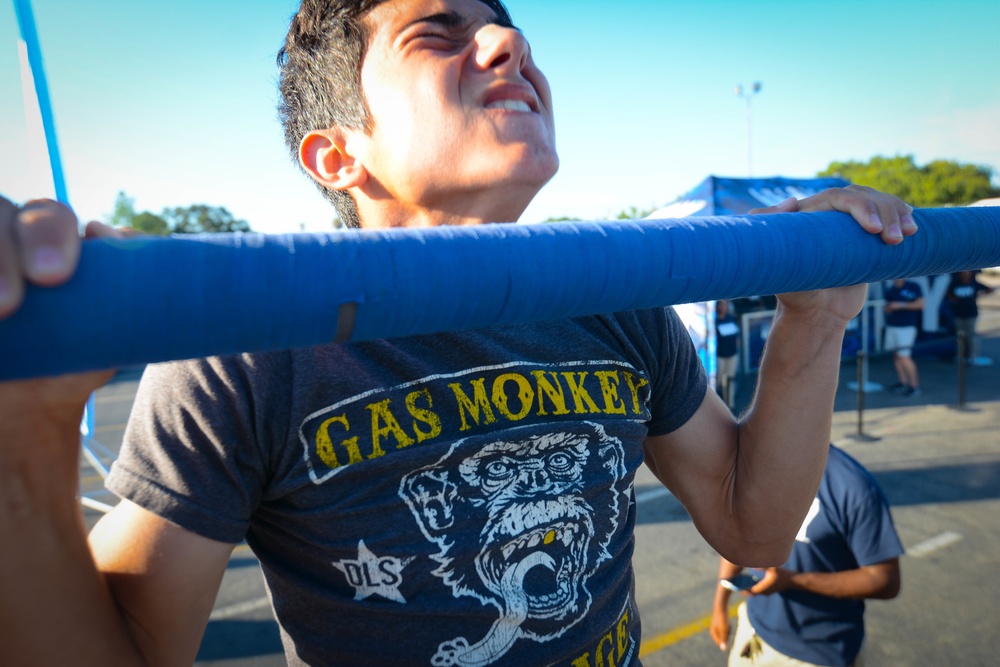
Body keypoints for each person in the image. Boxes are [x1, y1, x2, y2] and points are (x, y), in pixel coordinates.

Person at [0, 1, 918, 665]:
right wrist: (22, 438)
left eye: (508, 29)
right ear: (338, 153)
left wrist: (817, 317)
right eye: (436, 32)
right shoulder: (251, 348)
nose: (511, 42)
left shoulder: (615, 293)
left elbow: (752, 524)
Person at [709, 444, 903, 667]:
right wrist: (719, 605)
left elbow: (885, 580)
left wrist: (791, 581)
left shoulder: (855, 488)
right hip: (756, 636)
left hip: (820, 653)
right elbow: (739, 538)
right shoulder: (759, 466)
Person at [883, 277, 924, 396]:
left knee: (904, 357)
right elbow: (888, 309)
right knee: (896, 356)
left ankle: (914, 386)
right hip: (893, 326)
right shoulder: (890, 290)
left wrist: (900, 305)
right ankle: (903, 382)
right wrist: (890, 308)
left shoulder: (913, 286)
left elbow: (921, 304)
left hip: (907, 327)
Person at [948, 270, 994, 365]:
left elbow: (990, 289)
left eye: (967, 272)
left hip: (971, 314)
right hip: (958, 314)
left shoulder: (974, 283)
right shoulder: (955, 283)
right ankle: (960, 356)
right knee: (960, 336)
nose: (965, 274)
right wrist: (954, 299)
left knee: (971, 336)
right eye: (963, 272)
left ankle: (973, 357)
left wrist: (979, 295)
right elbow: (947, 293)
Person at [715, 299, 741, 409]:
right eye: (721, 304)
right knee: (720, 380)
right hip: (720, 356)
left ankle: (729, 403)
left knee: (730, 379)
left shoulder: (731, 318)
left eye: (725, 304)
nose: (724, 307)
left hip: (732, 354)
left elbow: (737, 336)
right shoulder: (714, 321)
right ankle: (716, 400)